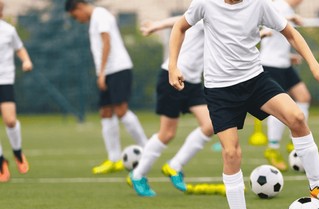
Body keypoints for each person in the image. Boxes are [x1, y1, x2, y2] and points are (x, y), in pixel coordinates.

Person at [169, 0, 319, 209]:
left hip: (254, 80)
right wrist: (172, 66)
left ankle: (317, 185)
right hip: (220, 90)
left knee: (297, 117)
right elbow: (179, 27)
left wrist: (315, 67)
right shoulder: (204, 3)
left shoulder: (259, 3)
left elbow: (290, 33)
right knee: (231, 154)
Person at [127, 17, 213, 197]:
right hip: (172, 77)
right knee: (167, 133)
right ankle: (138, 174)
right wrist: (156, 25)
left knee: (209, 125)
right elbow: (181, 20)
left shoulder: (226, 14)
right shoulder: (209, 8)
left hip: (193, 82)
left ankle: (175, 166)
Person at [65, 0, 148, 175]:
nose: (77, 20)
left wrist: (102, 72)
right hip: (107, 72)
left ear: (79, 7)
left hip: (117, 69)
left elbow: (107, 42)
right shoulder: (95, 18)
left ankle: (148, 150)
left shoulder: (100, 15)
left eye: (75, 16)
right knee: (105, 112)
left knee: (121, 110)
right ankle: (114, 159)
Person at [259, 0, 310, 172]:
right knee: (277, 106)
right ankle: (272, 148)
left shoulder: (286, 8)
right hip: (271, 65)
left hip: (283, 64)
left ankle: (294, 139)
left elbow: (277, 39)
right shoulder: (279, 5)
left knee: (304, 97)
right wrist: (291, 17)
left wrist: (289, 57)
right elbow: (270, 23)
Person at [0, 0, 33, 182]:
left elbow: (20, 48)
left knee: (10, 120)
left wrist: (26, 61)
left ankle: (18, 153)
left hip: (4, 79)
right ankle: (0, 162)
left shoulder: (8, 30)